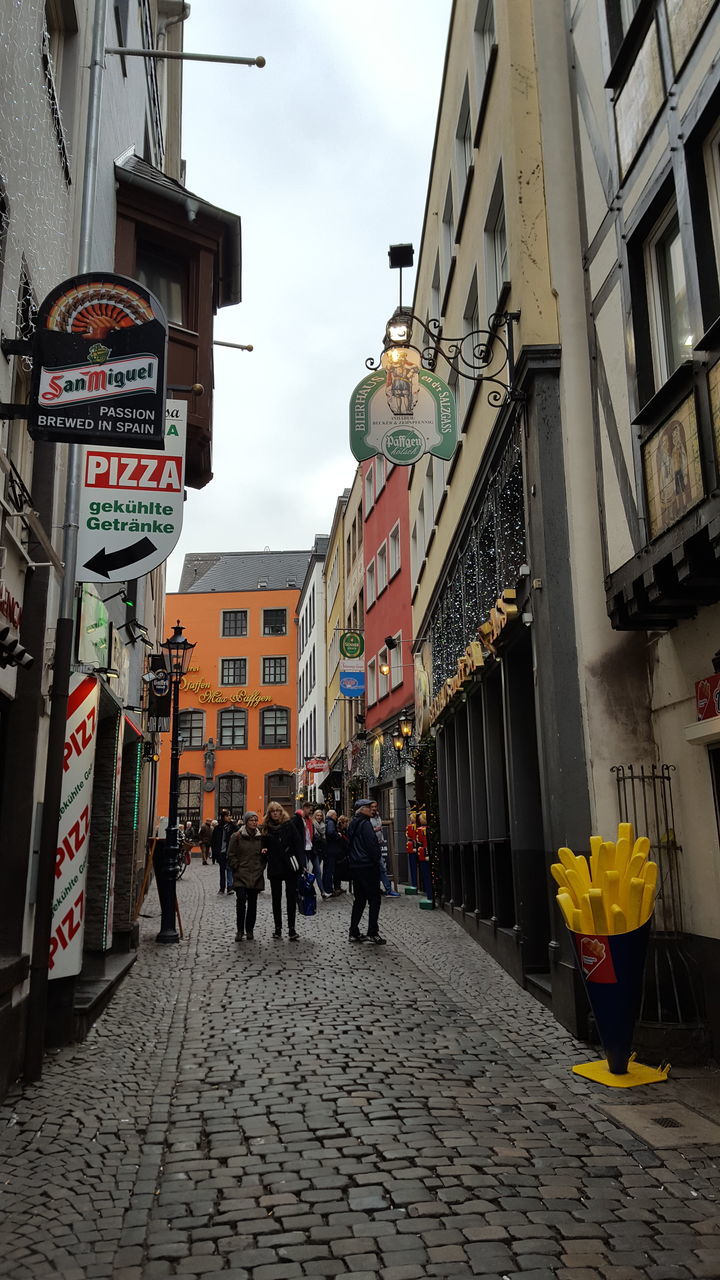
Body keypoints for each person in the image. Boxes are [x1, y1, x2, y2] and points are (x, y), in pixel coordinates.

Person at [262, 802, 303, 940]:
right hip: (275, 866)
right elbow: (262, 846)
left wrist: (301, 864)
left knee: (291, 898)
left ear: (281, 812)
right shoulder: (266, 828)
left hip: (289, 866)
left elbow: (298, 844)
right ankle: (278, 928)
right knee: (276, 899)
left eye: (277, 811)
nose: (275, 813)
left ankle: (292, 928)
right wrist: (264, 851)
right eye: (272, 811)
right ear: (269, 813)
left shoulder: (289, 825)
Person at [347, 797, 386, 944]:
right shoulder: (365, 824)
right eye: (369, 807)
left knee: (359, 900)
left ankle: (353, 931)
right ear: (362, 809)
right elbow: (372, 845)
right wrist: (377, 858)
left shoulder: (352, 824)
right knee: (374, 899)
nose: (372, 809)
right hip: (367, 866)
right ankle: (372, 932)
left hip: (356, 866)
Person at [227, 811, 264, 941]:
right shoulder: (237, 836)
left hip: (256, 873)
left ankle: (249, 930)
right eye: (251, 820)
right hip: (241, 874)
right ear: (246, 821)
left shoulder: (261, 837)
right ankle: (240, 930)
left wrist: (261, 865)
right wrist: (236, 867)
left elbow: (264, 855)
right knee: (241, 901)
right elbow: (230, 854)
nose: (254, 822)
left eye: (256, 820)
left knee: (253, 903)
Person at [369, 800, 399, 897]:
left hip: (378, 845)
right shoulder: (367, 818)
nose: (374, 808)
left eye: (375, 806)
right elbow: (367, 831)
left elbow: (380, 828)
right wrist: (375, 830)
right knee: (381, 867)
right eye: (372, 806)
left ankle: (384, 889)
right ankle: (387, 889)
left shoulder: (377, 816)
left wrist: (381, 838)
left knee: (381, 868)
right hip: (371, 847)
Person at [211, 809, 237, 893]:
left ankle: (230, 887)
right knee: (222, 870)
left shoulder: (233, 827)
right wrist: (215, 853)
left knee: (229, 869)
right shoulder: (218, 828)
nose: (230, 817)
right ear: (223, 817)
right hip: (221, 852)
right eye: (227, 815)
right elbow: (214, 841)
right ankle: (222, 888)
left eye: (230, 815)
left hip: (230, 852)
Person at [324, 809, 342, 896]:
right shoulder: (331, 822)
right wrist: (337, 835)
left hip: (328, 849)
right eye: (335, 815)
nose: (336, 817)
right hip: (331, 849)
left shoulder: (326, 821)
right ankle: (329, 890)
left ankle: (328, 889)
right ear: (332, 815)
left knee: (327, 870)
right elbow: (330, 832)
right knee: (330, 870)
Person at [312, 807, 329, 898]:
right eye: (317, 815)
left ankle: (310, 889)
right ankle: (322, 891)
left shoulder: (323, 825)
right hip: (315, 851)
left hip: (321, 851)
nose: (319, 817)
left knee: (315, 871)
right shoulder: (312, 824)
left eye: (320, 816)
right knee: (317, 871)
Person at [406, 809, 418, 889]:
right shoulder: (410, 826)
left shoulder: (417, 827)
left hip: (416, 848)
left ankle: (415, 884)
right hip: (411, 848)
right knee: (412, 866)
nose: (410, 819)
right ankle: (414, 884)